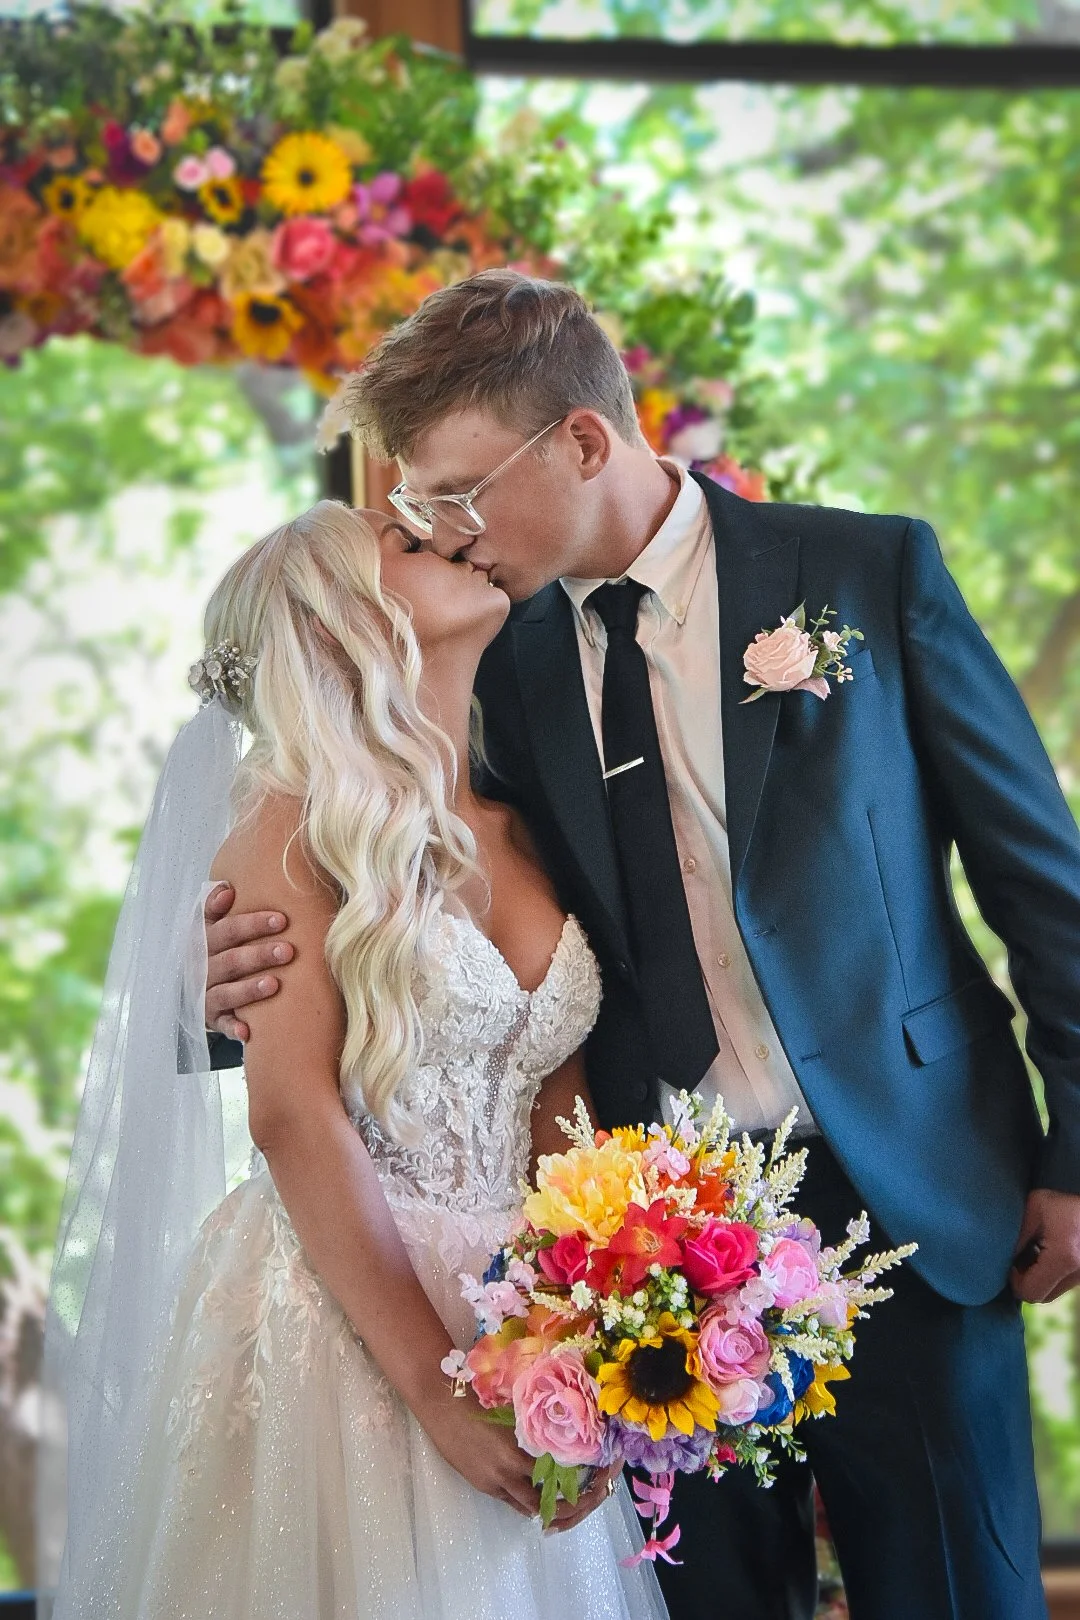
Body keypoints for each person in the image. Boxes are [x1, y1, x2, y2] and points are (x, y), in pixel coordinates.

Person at [206, 270, 1080, 1620]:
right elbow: (386, 893)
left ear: (582, 441)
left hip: (916, 1202)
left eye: (452, 492)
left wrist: (1077, 1153)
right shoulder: (482, 651)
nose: (439, 533)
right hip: (636, 1270)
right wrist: (216, 989)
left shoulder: (863, 574)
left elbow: (1045, 887)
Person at [41, 499, 668, 1620]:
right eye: (406, 546)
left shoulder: (520, 823)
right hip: (347, 1320)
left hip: (512, 1303)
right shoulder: (293, 826)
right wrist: (440, 1389)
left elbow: (552, 1099)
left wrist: (578, 1336)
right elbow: (290, 1116)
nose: (450, 537)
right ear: (342, 627)